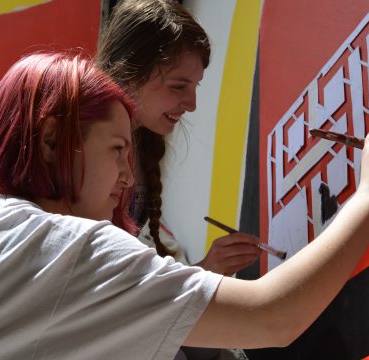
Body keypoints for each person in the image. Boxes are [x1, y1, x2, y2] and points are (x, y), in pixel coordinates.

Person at [0, 52, 369, 359]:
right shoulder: (62, 246)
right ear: (49, 141)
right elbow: (273, 316)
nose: (127, 175)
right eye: (116, 149)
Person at [96, 0, 261, 276]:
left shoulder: (144, 140)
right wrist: (204, 271)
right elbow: (103, 289)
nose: (192, 103)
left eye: (195, 86)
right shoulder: (81, 147)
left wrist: (203, 271)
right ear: (130, 72)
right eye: (178, 86)